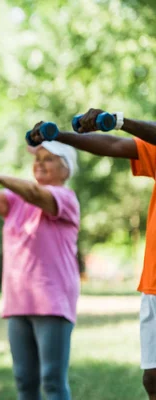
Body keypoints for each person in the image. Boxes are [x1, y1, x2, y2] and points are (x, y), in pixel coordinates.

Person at [29, 109, 156, 400]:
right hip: (154, 284)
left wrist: (121, 121)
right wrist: (57, 136)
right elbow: (113, 147)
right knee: (152, 379)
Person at [0, 139, 80, 400]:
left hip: (52, 301)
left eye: (48, 158)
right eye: (37, 158)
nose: (39, 163)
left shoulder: (64, 198)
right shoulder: (15, 201)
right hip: (18, 301)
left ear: (66, 169)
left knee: (52, 380)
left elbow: (37, 195)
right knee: (24, 381)